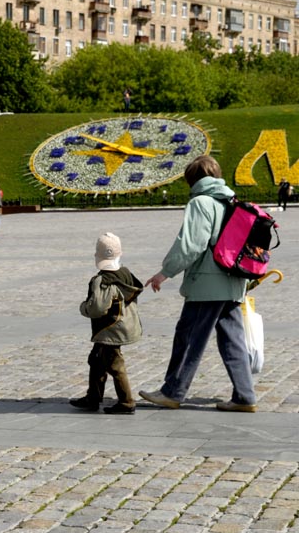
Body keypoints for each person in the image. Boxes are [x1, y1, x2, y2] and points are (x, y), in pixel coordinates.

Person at [139, 155, 257, 413]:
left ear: (192, 180)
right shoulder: (233, 201)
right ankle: (245, 395)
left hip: (207, 285)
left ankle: (172, 392)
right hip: (233, 282)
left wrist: (164, 273)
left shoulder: (201, 203)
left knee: (189, 337)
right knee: (232, 340)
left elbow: (191, 244)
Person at [70, 233, 143, 415]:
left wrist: (83, 307)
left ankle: (126, 402)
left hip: (109, 329)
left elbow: (97, 308)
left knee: (115, 364)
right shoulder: (126, 274)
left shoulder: (103, 280)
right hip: (123, 325)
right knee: (96, 360)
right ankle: (93, 396)